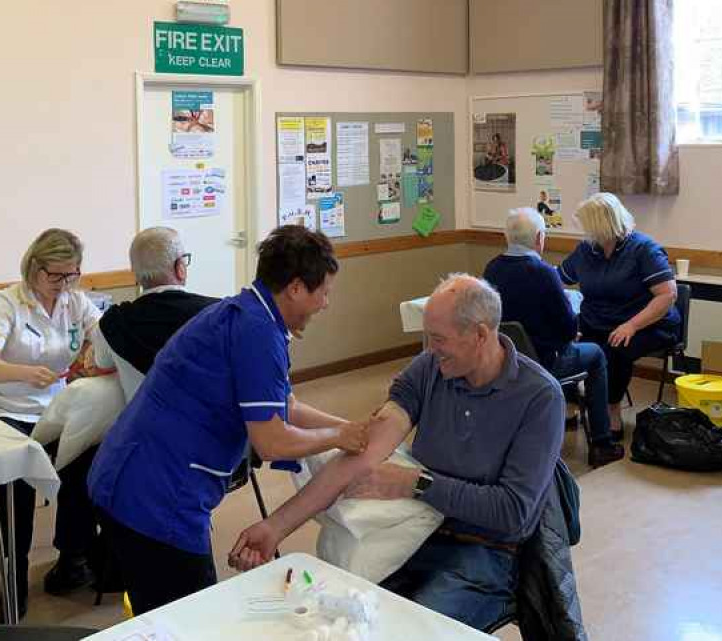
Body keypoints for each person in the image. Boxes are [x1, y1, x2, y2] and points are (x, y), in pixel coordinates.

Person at [228, 274, 565, 631]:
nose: (430, 350)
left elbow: (513, 512)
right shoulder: (430, 368)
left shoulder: (540, 398)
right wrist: (274, 527)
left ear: (480, 335)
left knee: (404, 630)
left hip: (485, 551)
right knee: (337, 614)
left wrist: (418, 484)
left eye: (438, 339)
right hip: (414, 533)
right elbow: (361, 456)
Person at [87, 226, 369, 614]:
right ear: (297, 288)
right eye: (324, 292)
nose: (325, 303)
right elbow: (272, 440)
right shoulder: (256, 332)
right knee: (192, 618)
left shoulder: (244, 311)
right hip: (153, 496)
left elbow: (282, 404)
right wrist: (338, 435)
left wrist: (350, 429)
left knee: (170, 612)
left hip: (129, 475)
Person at [0, 229, 102, 622]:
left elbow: (103, 336)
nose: (64, 285)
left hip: (57, 406)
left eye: (72, 275)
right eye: (56, 276)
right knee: (20, 477)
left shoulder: (74, 300)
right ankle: (15, 572)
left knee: (89, 462)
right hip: (7, 406)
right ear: (34, 268)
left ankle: (72, 558)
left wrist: (96, 354)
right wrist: (26, 373)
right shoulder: (7, 301)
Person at [483, 208, 623, 467]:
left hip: (505, 360)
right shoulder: (543, 272)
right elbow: (567, 329)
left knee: (570, 348)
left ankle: (565, 414)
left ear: (507, 237)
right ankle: (602, 442)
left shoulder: (492, 269)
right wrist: (574, 330)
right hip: (545, 361)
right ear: (539, 237)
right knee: (596, 355)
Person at [559, 193, 679, 439]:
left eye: (589, 226)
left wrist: (631, 325)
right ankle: (569, 405)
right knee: (563, 338)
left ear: (603, 225)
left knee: (614, 346)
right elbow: (559, 277)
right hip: (598, 318)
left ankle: (611, 410)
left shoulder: (643, 249)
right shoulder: (586, 250)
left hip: (647, 321)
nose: (585, 233)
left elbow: (667, 296)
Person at [90, 227, 217, 402]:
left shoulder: (112, 323)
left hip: (141, 427)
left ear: (136, 274)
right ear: (180, 268)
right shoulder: (218, 314)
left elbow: (100, 365)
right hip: (208, 426)